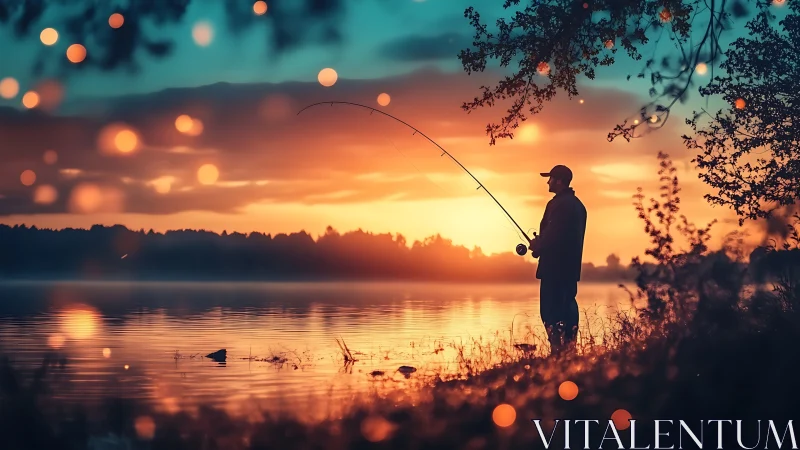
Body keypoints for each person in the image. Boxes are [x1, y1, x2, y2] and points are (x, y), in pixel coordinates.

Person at [529, 164, 587, 356]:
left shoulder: (558, 205)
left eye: (551, 178)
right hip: (570, 269)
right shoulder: (578, 206)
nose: (548, 182)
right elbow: (561, 235)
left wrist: (538, 245)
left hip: (554, 269)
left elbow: (553, 235)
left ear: (559, 181)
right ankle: (569, 350)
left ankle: (557, 352)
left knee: (550, 311)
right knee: (568, 308)